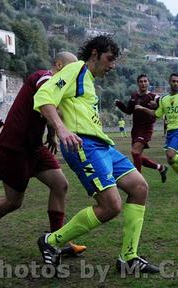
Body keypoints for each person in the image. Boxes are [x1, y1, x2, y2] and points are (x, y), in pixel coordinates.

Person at [33, 35, 159, 275]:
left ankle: (128, 258)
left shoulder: (88, 80)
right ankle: (51, 241)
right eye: (109, 59)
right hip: (84, 147)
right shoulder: (76, 69)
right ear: (94, 53)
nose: (112, 65)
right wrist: (60, 129)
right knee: (111, 205)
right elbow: (43, 97)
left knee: (140, 188)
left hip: (103, 146)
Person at [0, 52, 86, 259]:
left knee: (60, 185)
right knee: (13, 202)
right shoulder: (43, 76)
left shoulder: (56, 86)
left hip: (35, 147)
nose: (73, 73)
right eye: (71, 68)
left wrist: (52, 134)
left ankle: (56, 240)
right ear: (58, 64)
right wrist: (62, 127)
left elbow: (47, 107)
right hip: (14, 148)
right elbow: (48, 105)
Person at [115, 74, 168, 182]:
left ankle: (138, 180)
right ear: (137, 83)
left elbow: (162, 104)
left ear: (148, 83)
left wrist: (157, 105)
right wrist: (119, 104)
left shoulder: (154, 96)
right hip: (135, 130)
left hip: (146, 129)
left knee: (135, 152)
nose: (143, 83)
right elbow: (129, 111)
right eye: (141, 81)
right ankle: (161, 168)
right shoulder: (134, 96)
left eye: (145, 81)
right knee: (137, 156)